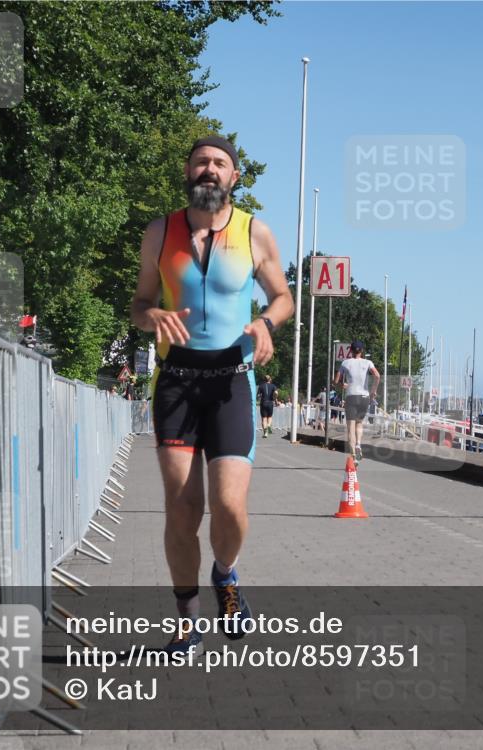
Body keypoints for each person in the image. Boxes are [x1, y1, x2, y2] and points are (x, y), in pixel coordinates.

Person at [130, 135, 293, 652]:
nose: (209, 169)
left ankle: (225, 575)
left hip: (231, 382)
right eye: (201, 161)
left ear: (234, 176)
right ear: (187, 170)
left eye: (219, 163)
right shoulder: (161, 231)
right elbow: (139, 302)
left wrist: (266, 322)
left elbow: (284, 296)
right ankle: (187, 615)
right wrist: (150, 315)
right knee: (182, 509)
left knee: (227, 505)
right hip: (177, 381)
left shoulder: (254, 232)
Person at [334, 341, 380, 461]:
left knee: (350, 428)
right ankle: (359, 444)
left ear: (351, 351)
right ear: (362, 351)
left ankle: (354, 455)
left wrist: (341, 384)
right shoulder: (368, 362)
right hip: (364, 397)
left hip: (351, 396)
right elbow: (377, 375)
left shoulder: (345, 363)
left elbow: (336, 380)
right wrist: (373, 391)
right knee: (359, 423)